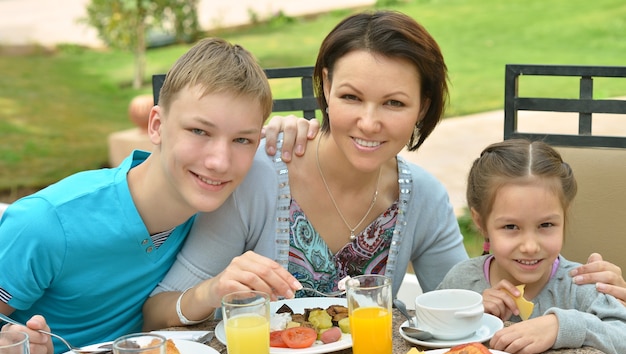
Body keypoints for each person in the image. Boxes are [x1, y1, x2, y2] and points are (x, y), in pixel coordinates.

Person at [143, 10, 471, 329]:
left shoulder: (422, 197)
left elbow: (465, 307)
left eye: (394, 103)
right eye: (351, 97)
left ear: (423, 106)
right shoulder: (258, 176)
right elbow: (156, 312)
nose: (369, 123)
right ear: (327, 87)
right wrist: (212, 291)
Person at [0, 37, 314, 354]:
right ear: (156, 125)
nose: (220, 161)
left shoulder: (221, 209)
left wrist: (290, 134)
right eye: (199, 131)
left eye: (241, 139)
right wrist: (13, 349)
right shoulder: (47, 222)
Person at [437, 139, 626, 354]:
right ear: (481, 222)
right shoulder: (462, 282)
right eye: (510, 227)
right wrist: (466, 316)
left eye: (546, 225)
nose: (530, 246)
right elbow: (423, 333)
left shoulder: (580, 286)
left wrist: (561, 325)